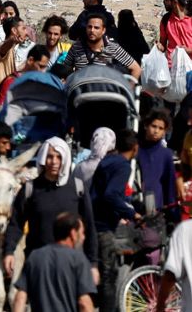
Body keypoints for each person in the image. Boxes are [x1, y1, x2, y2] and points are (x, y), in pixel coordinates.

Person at [4, 137, 99, 285]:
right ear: (42, 158)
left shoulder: (78, 188)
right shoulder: (31, 188)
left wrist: (93, 264)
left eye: (58, 156)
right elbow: (16, 223)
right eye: (49, 156)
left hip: (71, 264)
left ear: (65, 159)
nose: (54, 161)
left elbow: (89, 227)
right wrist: (9, 252)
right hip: (39, 264)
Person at [92, 129, 140, 312]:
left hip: (94, 222)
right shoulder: (123, 165)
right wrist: (131, 213)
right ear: (135, 148)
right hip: (105, 226)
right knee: (108, 276)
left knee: (98, 272)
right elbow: (111, 194)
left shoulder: (108, 160)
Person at [12, 212, 97, 312]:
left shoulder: (34, 257)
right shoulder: (78, 259)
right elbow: (84, 303)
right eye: (82, 233)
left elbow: (20, 298)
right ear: (73, 233)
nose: (83, 237)